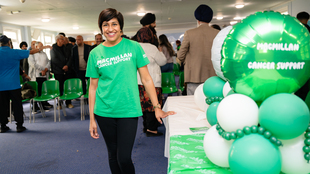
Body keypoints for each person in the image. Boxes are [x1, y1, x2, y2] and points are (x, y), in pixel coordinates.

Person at [86, 8, 175, 174]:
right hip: (104, 111)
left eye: (114, 24)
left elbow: (147, 79)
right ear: (101, 28)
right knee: (112, 155)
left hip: (128, 109)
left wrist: (156, 107)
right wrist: (91, 118)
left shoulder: (134, 47)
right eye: (105, 25)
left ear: (121, 27)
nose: (110, 28)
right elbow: (93, 87)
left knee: (124, 158)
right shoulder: (95, 53)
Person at [0, 35, 45, 133]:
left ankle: (2, 126)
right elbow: (31, 52)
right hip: (14, 85)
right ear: (9, 43)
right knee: (17, 105)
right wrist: (40, 48)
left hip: (1, 85)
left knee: (2, 106)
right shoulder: (15, 52)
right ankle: (19, 126)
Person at [177, 4, 219, 95]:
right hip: (213, 76)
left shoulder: (189, 33)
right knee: (212, 101)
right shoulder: (217, 33)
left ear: (198, 19)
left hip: (194, 76)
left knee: (193, 102)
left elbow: (180, 55)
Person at [133, 27, 167, 137]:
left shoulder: (135, 47)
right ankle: (152, 130)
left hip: (138, 81)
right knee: (153, 106)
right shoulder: (153, 48)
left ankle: (146, 127)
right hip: (152, 81)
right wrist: (161, 52)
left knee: (143, 106)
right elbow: (162, 62)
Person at [50, 34, 75, 109]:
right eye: (62, 39)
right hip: (58, 71)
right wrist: (63, 66)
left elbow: (70, 57)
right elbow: (54, 59)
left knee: (68, 87)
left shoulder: (66, 47)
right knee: (59, 88)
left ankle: (68, 103)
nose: (64, 40)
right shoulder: (53, 48)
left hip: (67, 70)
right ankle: (59, 104)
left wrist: (67, 66)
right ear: (58, 40)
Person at [28, 41, 53, 110]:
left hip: (44, 75)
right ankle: (35, 106)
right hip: (35, 76)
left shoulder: (44, 54)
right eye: (41, 46)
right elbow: (33, 65)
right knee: (36, 92)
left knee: (43, 91)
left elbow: (48, 62)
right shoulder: (31, 54)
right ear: (36, 47)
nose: (42, 48)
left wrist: (45, 70)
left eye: (42, 46)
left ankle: (43, 104)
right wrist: (42, 69)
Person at [295, 11, 310, 101]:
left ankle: (296, 99)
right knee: (305, 83)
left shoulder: (296, 31)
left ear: (297, 19)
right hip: (308, 61)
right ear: (308, 20)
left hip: (297, 60)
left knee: (296, 82)